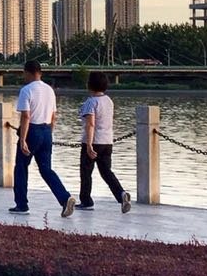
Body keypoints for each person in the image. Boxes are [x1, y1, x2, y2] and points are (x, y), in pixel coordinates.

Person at [9, 60, 76, 217]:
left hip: (32, 130)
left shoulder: (26, 90)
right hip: (46, 131)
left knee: (21, 167)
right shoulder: (49, 90)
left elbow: (26, 116)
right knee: (46, 169)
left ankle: (21, 205)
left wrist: (23, 139)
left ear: (28, 72)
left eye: (24, 73)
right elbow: (54, 116)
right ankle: (64, 198)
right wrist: (49, 134)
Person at [77, 71, 132, 214]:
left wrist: (89, 145)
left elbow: (91, 124)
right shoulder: (108, 101)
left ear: (89, 85)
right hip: (107, 141)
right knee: (106, 172)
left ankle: (86, 201)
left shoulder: (91, 102)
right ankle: (121, 194)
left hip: (94, 141)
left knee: (86, 172)